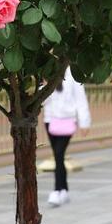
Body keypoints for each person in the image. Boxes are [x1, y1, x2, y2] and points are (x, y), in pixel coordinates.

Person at [43, 67, 91, 207]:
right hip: (50, 120)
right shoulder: (48, 70)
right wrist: (45, 86)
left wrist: (84, 122)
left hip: (68, 120)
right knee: (59, 156)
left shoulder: (74, 72)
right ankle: (64, 189)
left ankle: (57, 190)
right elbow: (42, 101)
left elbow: (81, 99)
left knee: (58, 154)